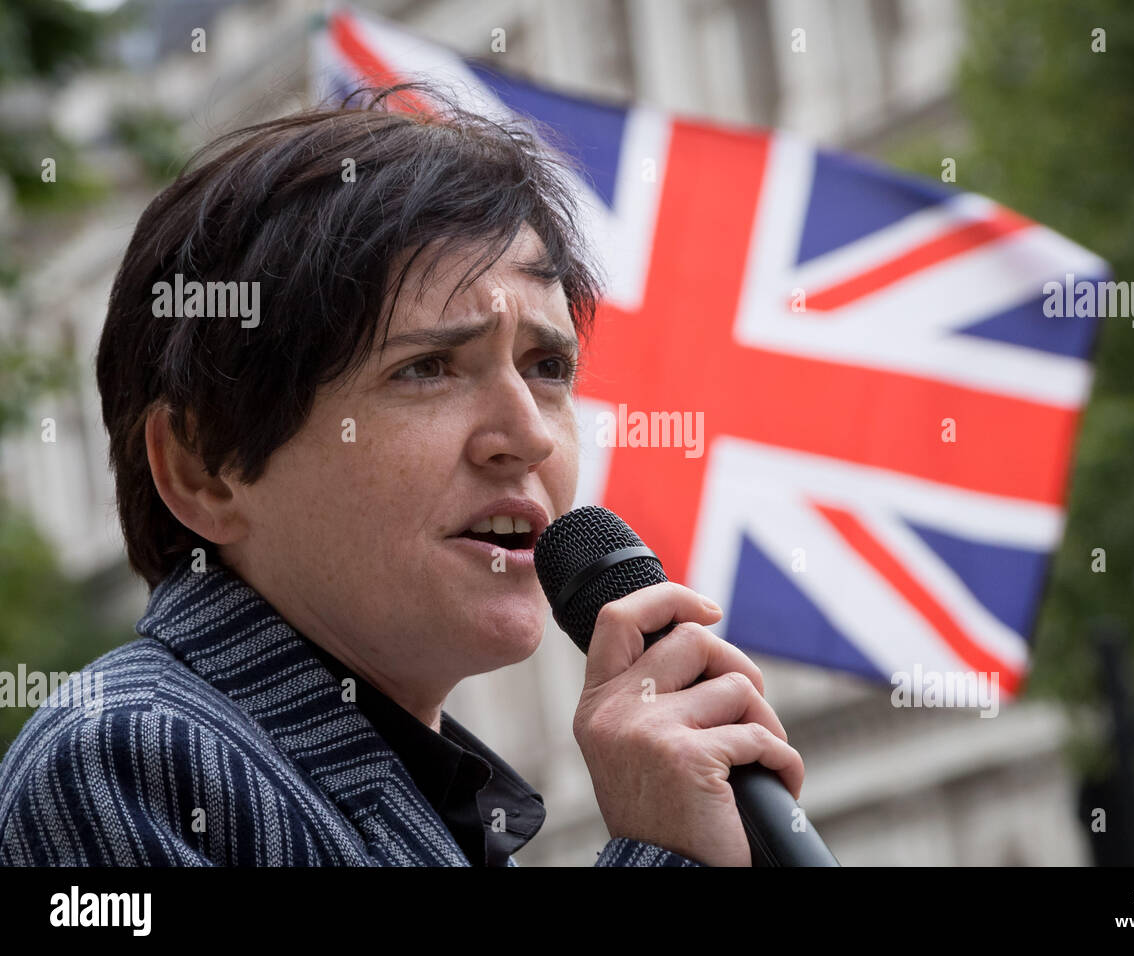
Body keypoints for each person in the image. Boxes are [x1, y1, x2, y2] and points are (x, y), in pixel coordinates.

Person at [0, 85, 803, 867]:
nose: (527, 434)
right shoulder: (126, 762)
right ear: (205, 470)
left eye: (548, 366)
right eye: (428, 369)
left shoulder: (426, 796)